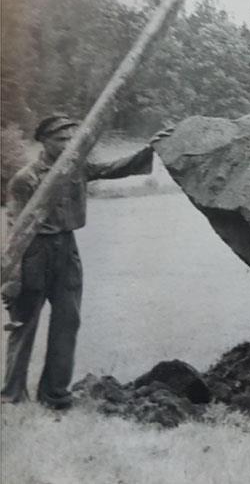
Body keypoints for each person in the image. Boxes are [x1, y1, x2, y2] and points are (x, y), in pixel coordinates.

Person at [1, 114, 172, 408]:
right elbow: (15, 228)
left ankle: (55, 394)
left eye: (72, 138)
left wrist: (150, 149)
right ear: (43, 140)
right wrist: (13, 277)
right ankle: (12, 396)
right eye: (61, 139)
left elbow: (113, 169)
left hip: (67, 249)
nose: (68, 144)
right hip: (34, 251)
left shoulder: (75, 168)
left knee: (68, 320)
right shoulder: (26, 178)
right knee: (24, 324)